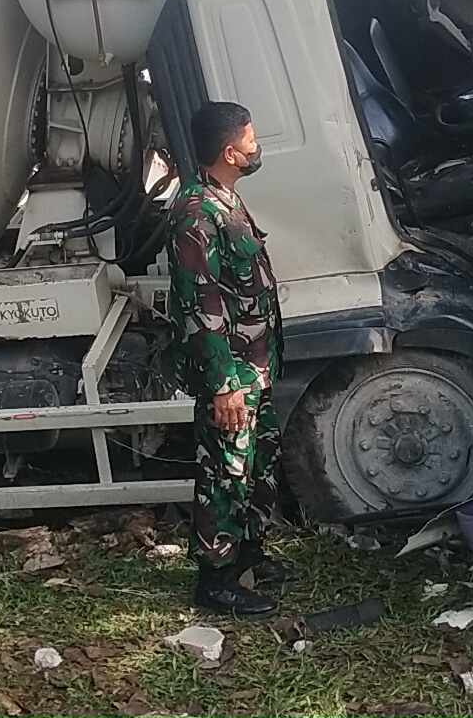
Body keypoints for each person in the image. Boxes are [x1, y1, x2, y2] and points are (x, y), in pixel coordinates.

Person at [167, 100, 301, 617]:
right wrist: (224, 384)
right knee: (225, 474)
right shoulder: (196, 214)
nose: (256, 147)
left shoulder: (227, 201)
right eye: (251, 140)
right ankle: (216, 579)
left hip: (256, 368)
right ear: (230, 152)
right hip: (232, 374)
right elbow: (200, 304)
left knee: (257, 467)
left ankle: (249, 556)